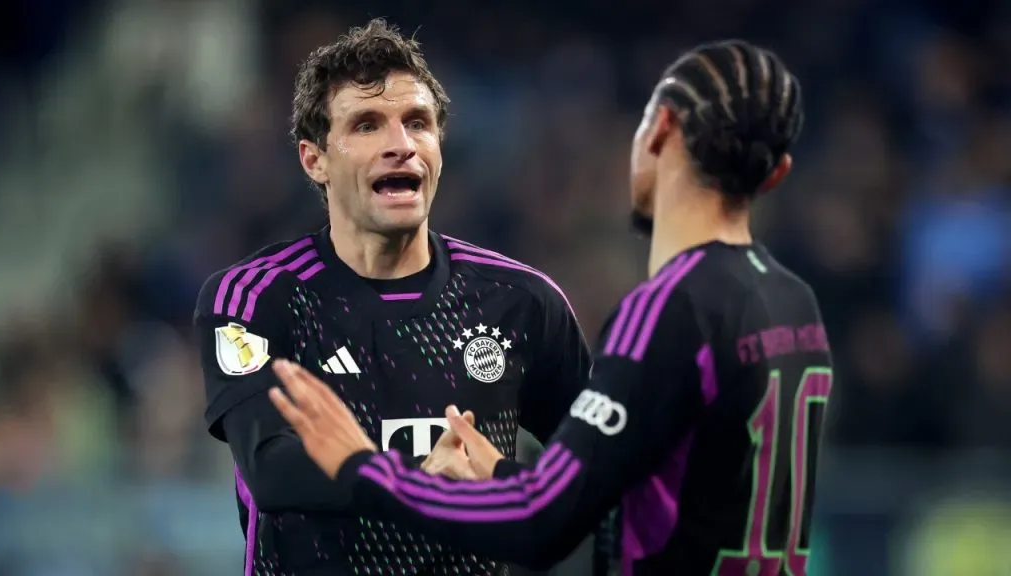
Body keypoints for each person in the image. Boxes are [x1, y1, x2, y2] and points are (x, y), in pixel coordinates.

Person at [267, 40, 834, 576]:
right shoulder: (792, 301)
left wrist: (361, 467)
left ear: (659, 130)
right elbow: (657, 492)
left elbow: (543, 522)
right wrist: (499, 472)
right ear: (777, 171)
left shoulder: (667, 309)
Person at [193, 18, 591, 576]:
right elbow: (271, 467)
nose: (400, 145)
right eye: (367, 125)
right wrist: (420, 484)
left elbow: (600, 478)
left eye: (418, 123)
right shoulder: (255, 298)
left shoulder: (521, 302)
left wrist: (505, 483)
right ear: (316, 161)